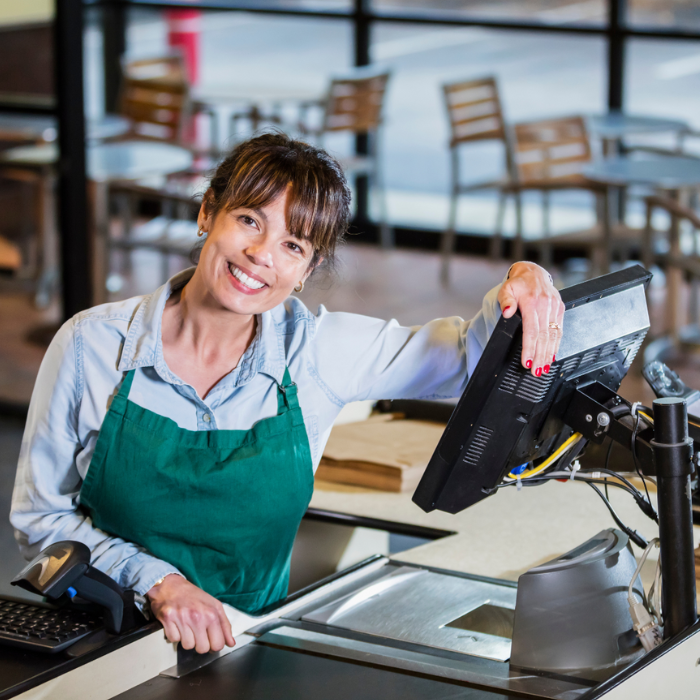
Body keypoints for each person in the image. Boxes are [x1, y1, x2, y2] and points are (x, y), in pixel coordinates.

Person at [11, 133, 564, 655]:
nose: (261, 254)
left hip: (246, 642)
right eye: (249, 220)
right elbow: (41, 519)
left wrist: (526, 278)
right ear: (207, 213)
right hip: (101, 639)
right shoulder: (92, 344)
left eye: (292, 244)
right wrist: (158, 582)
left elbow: (471, 361)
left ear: (308, 268)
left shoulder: (319, 353)